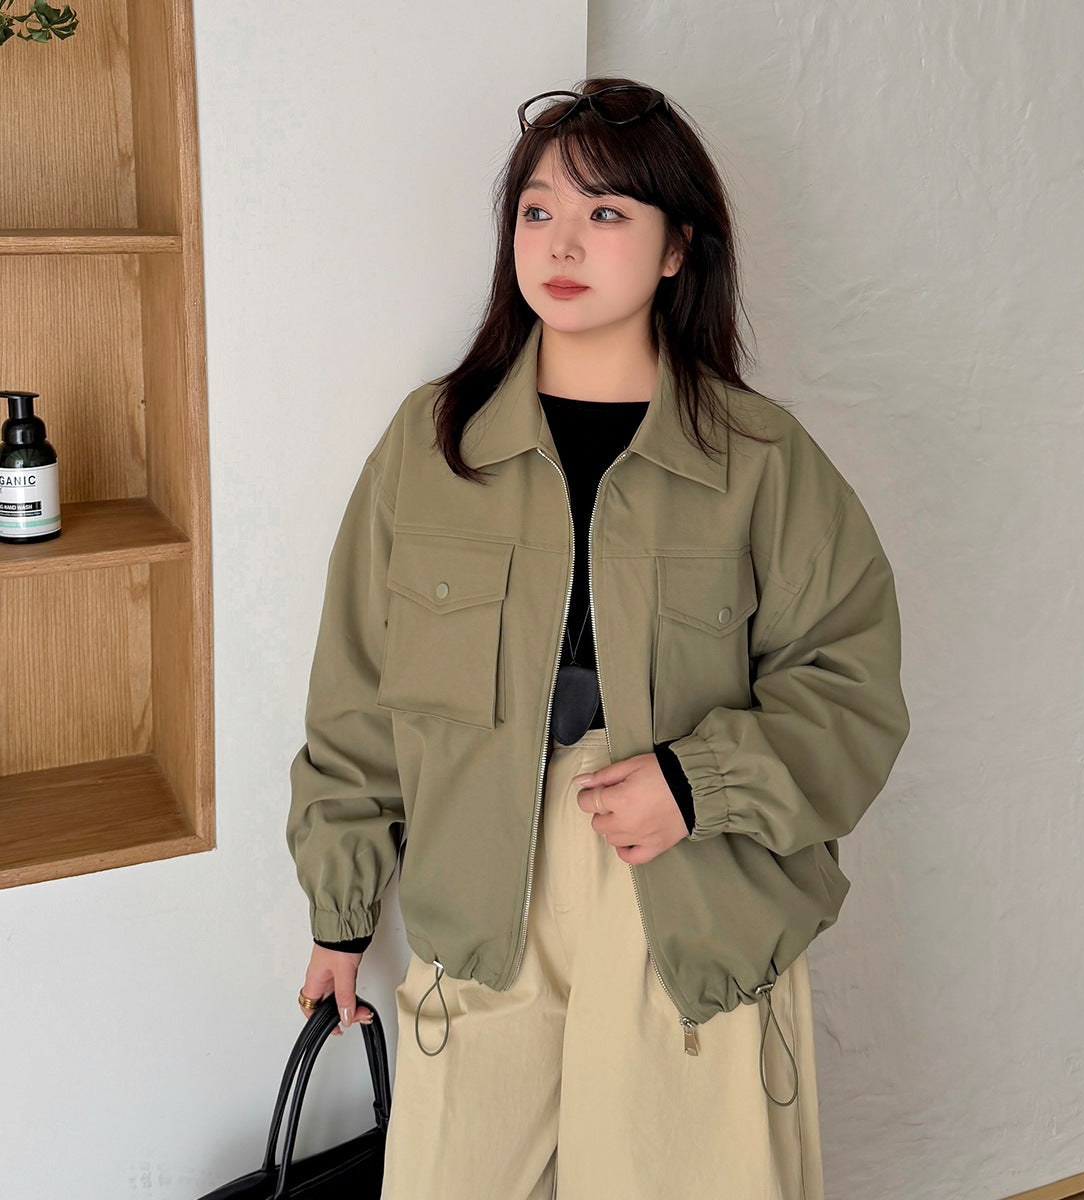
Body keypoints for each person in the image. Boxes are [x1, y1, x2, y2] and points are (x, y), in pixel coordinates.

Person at [285, 77, 910, 1200]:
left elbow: (850, 688)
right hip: (482, 894)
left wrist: (698, 783)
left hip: (689, 893)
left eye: (606, 211)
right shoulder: (432, 445)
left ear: (678, 248)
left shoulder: (760, 461)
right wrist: (341, 915)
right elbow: (358, 691)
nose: (561, 242)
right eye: (537, 210)